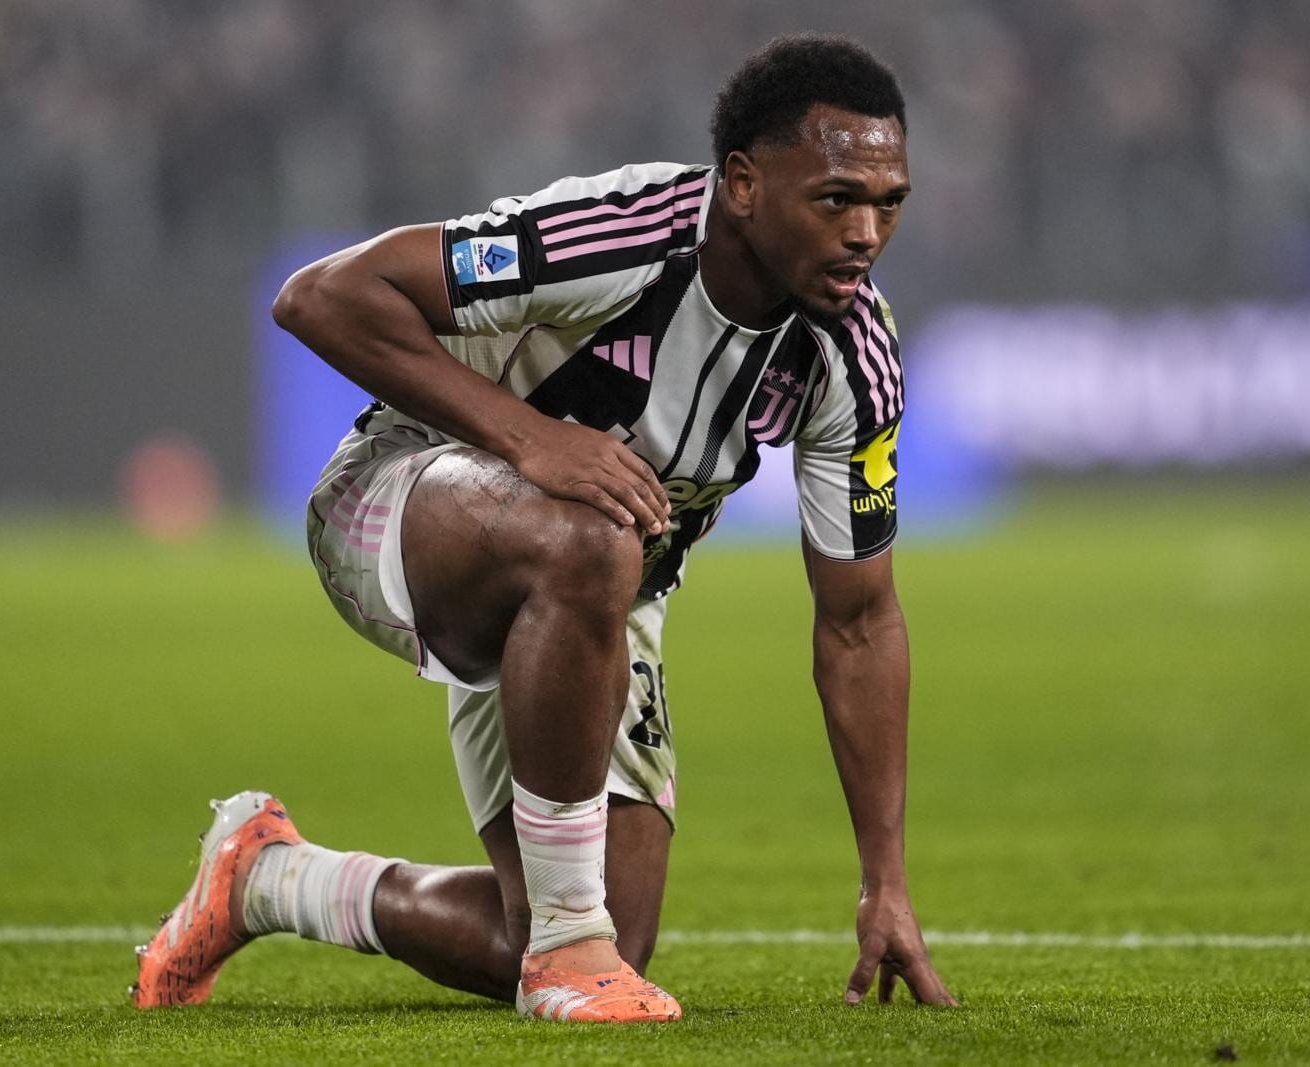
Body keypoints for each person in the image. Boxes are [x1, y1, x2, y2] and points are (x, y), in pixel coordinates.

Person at [132, 32, 957, 1022]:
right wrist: (532, 439)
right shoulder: (619, 234)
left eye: (888, 203)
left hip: (598, 589)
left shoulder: (853, 354)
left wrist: (884, 880)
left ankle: (267, 876)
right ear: (743, 183)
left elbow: (859, 622)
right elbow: (320, 296)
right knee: (589, 540)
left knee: (600, 933)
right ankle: (568, 954)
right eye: (836, 199)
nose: (866, 232)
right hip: (401, 500)